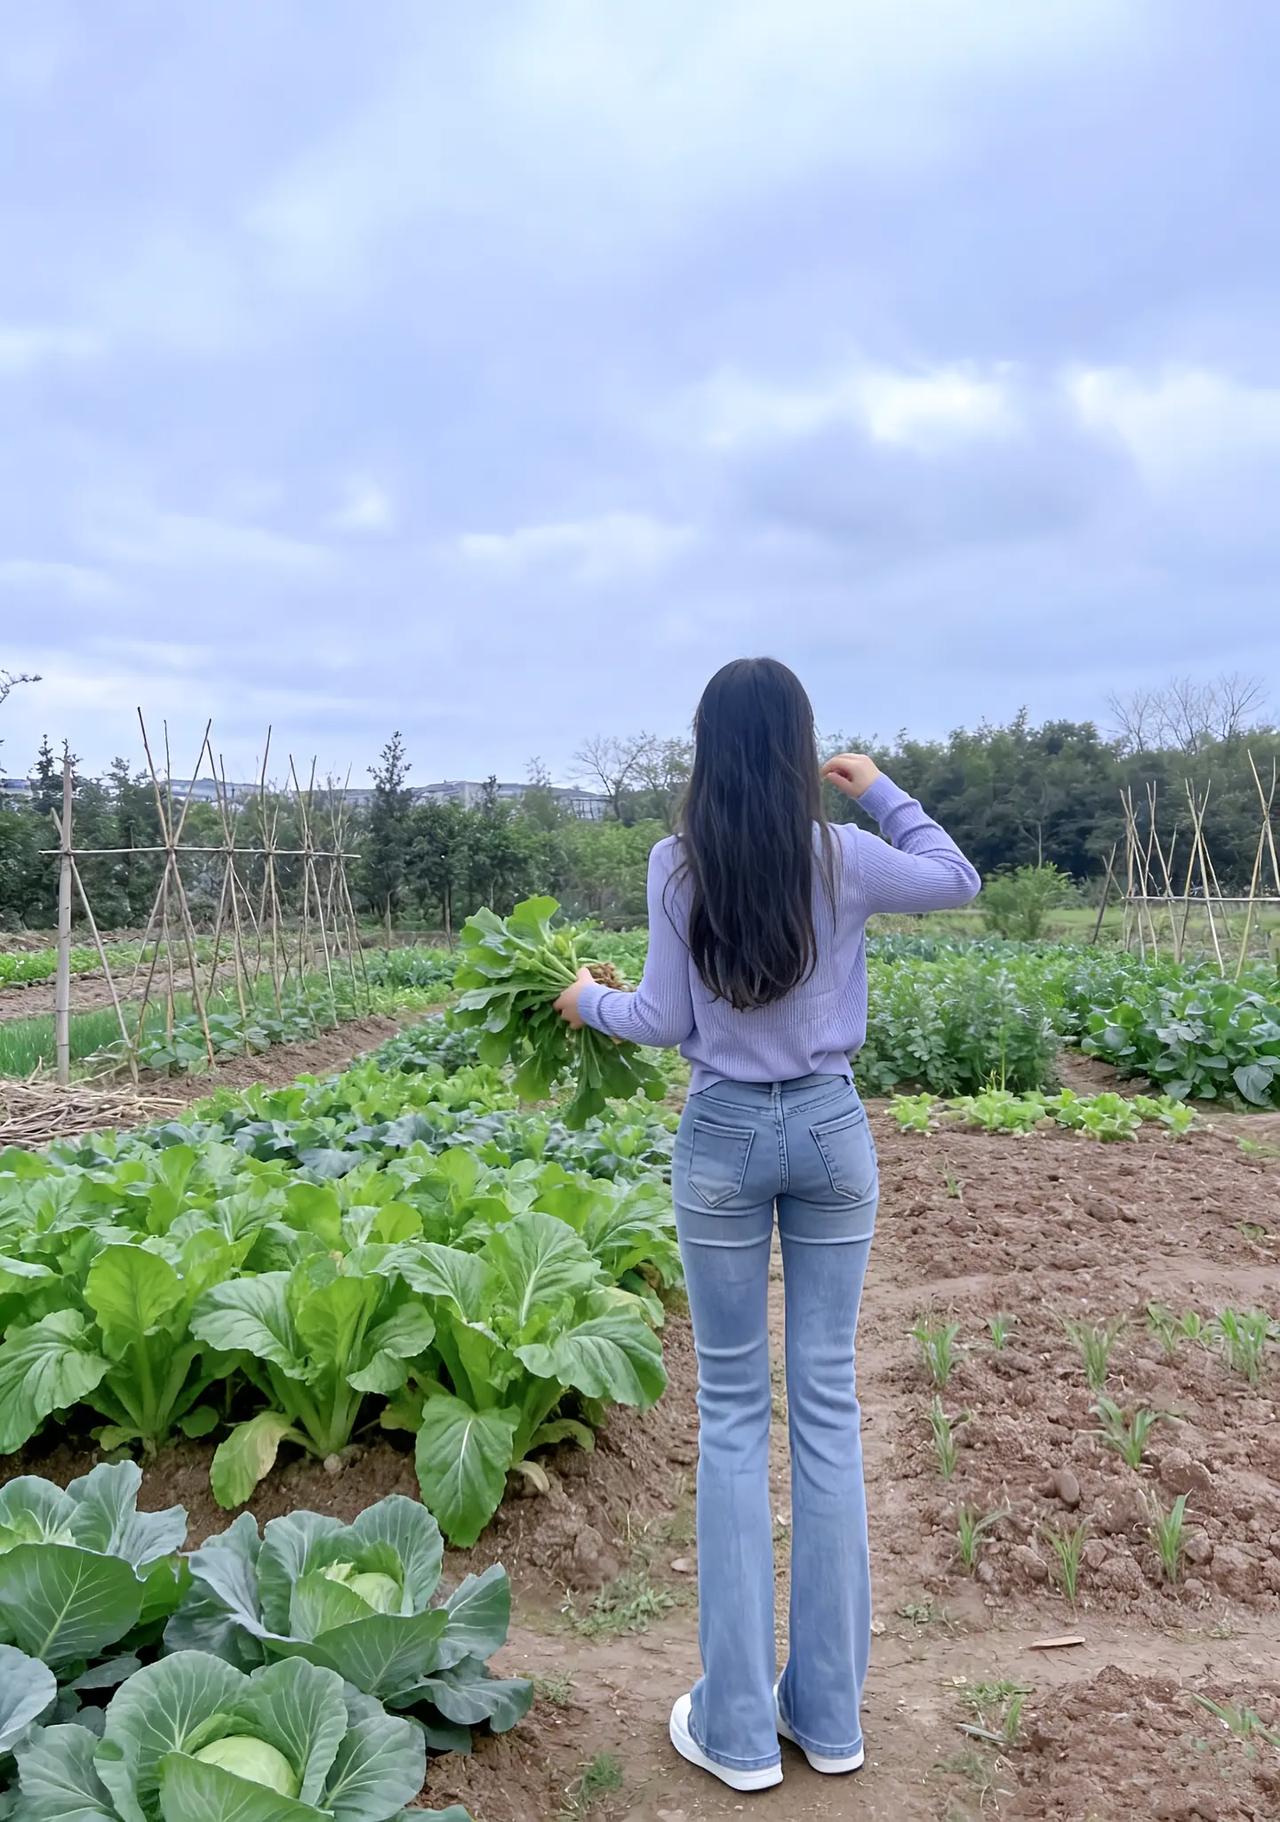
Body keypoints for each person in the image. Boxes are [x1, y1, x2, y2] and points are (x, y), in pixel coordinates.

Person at [553, 657, 981, 1793]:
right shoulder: (838, 853)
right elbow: (956, 877)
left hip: (724, 1142)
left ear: (703, 748)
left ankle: (739, 1730)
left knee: (734, 1418)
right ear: (800, 753)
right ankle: (830, 1720)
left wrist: (582, 1001)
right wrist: (880, 787)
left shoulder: (674, 864)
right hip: (832, 1134)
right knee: (826, 1406)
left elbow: (657, 1016)